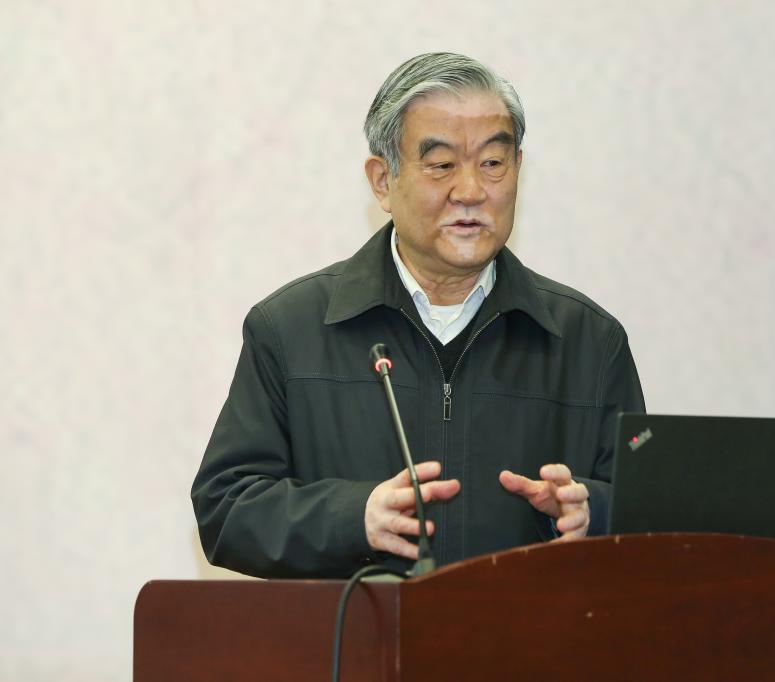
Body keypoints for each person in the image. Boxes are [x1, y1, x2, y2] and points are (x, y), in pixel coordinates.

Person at [191, 53, 645, 578]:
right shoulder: (291, 329)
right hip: (358, 631)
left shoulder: (588, 341)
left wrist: (593, 513)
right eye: (441, 164)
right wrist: (353, 518)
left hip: (526, 631)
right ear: (383, 181)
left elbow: (653, 521)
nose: (470, 191)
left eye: (493, 163)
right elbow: (226, 509)